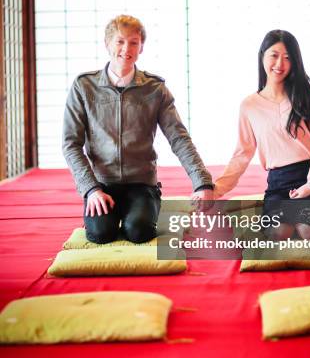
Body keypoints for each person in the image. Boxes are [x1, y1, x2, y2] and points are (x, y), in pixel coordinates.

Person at [62, 14, 213, 244]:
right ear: (107, 44)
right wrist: (91, 189)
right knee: (100, 234)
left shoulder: (155, 89)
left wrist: (201, 182)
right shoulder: (84, 86)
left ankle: (143, 210)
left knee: (139, 232)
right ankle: (107, 215)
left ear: (141, 47)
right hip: (102, 184)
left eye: (134, 42)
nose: (126, 48)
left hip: (142, 184)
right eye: (120, 41)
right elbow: (70, 143)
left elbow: (179, 138)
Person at [214, 30, 310, 240]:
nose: (280, 63)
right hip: (279, 185)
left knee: (309, 233)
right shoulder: (249, 105)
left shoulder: (307, 94)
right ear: (262, 55)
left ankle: (309, 218)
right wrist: (215, 190)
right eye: (274, 55)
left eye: (288, 57)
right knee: (280, 233)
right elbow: (242, 154)